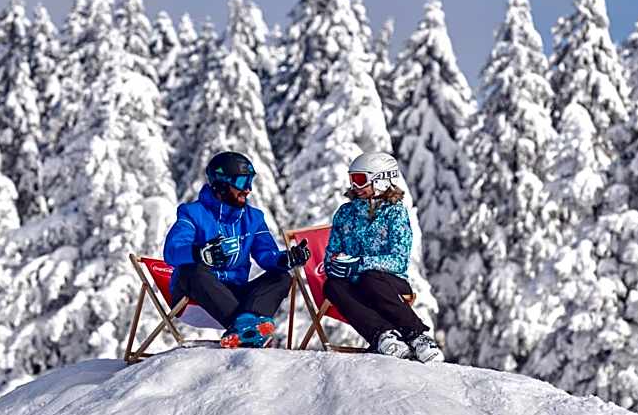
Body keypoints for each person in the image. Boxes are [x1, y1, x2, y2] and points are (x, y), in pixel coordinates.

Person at [163, 151, 310, 348]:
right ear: (221, 185)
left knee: (282, 277)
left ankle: (244, 327)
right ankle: (246, 328)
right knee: (191, 269)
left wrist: (285, 259)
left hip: (234, 294)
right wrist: (200, 253)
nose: (248, 189)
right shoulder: (192, 213)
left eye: (250, 181)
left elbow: (267, 254)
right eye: (242, 182)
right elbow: (172, 251)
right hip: (195, 295)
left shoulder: (253, 218)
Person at [323, 152, 444, 363]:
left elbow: (398, 260)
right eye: (352, 179)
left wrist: (361, 264)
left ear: (381, 180)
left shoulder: (394, 213)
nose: (355, 186)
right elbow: (331, 254)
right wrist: (336, 265)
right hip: (354, 283)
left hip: (388, 283)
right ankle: (384, 336)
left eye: (360, 179)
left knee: (370, 277)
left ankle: (417, 336)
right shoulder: (345, 213)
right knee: (332, 286)